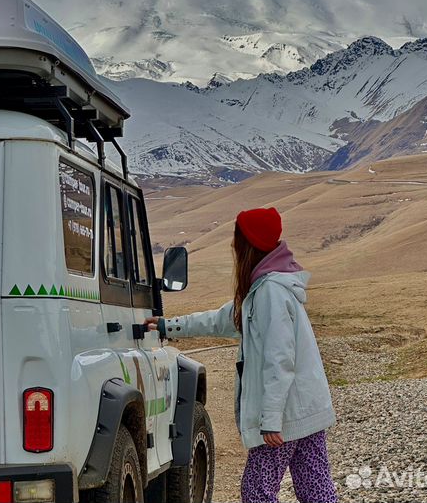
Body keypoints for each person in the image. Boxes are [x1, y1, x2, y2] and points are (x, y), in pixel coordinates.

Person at [145, 207, 339, 503]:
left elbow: (280, 359)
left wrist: (271, 420)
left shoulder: (270, 292)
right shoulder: (265, 288)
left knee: (257, 492)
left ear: (248, 244)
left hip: (285, 415)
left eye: (236, 238)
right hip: (307, 408)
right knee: (315, 490)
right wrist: (167, 325)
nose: (232, 246)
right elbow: (220, 320)